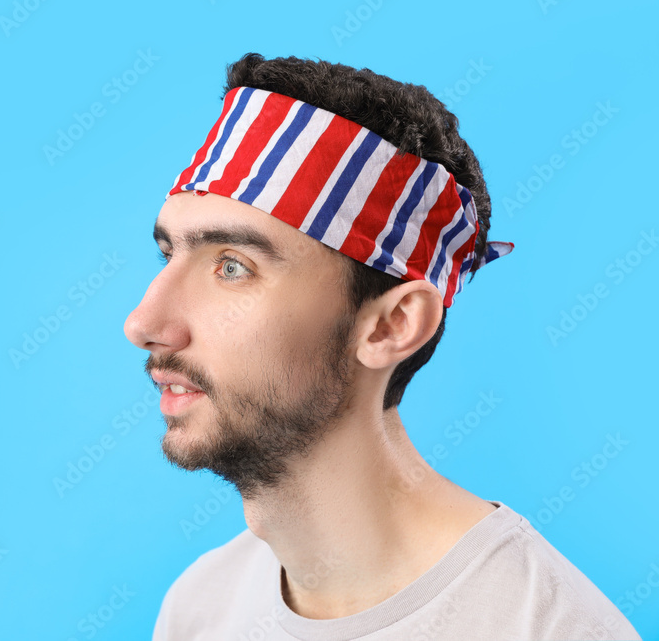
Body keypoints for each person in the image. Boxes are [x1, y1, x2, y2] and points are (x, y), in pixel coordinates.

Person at [123, 53, 640, 640]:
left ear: (391, 326)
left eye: (233, 267)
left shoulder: (544, 626)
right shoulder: (202, 606)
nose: (143, 322)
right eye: (170, 254)